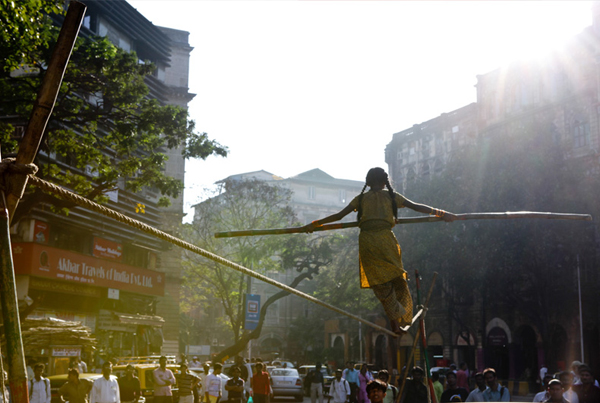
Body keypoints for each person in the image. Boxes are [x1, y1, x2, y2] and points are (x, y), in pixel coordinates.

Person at [302, 167, 456, 334]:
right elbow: (416, 207)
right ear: (385, 182)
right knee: (397, 279)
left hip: (368, 242)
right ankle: (400, 321)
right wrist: (442, 213)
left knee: (382, 285)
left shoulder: (361, 199)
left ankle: (395, 324)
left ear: (368, 182)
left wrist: (314, 224)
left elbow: (338, 216)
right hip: (386, 241)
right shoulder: (392, 197)